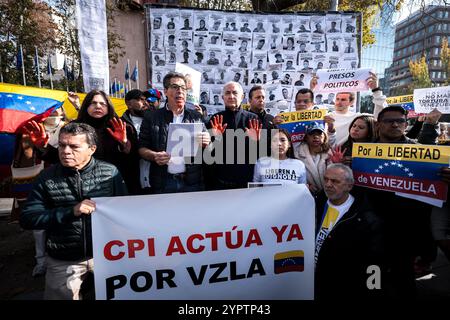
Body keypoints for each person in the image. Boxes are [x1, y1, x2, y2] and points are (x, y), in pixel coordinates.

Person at [20, 122, 128, 300]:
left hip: (108, 256)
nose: (66, 151)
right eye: (62, 145)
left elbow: (124, 211)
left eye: (74, 146)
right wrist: (70, 212)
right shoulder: (46, 177)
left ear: (91, 149)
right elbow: (28, 218)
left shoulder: (110, 173)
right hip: (64, 258)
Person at [363, 105, 440, 298]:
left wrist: (443, 177)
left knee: (403, 282)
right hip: (371, 231)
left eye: (400, 121)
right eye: (389, 121)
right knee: (373, 282)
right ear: (379, 124)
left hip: (406, 232)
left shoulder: (420, 152)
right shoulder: (363, 152)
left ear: (406, 124)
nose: (395, 124)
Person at [315, 164, 385, 300]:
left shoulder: (366, 219)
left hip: (343, 287)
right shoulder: (317, 202)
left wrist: (374, 290)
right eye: (326, 179)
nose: (328, 184)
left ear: (349, 186)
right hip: (316, 280)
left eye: (335, 181)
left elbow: (375, 262)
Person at [138, 72, 211, 194]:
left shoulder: (196, 116)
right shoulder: (151, 117)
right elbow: (141, 148)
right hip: (163, 181)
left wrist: (207, 141)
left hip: (191, 182)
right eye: (175, 87)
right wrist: (154, 155)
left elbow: (207, 149)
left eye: (183, 88)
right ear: (165, 91)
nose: (180, 91)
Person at [206, 82, 260, 190]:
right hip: (220, 181)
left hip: (246, 182)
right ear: (222, 97)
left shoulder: (253, 119)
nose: (231, 96)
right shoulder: (215, 119)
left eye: (235, 93)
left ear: (242, 96)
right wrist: (216, 140)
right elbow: (208, 154)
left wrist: (256, 142)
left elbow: (261, 155)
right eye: (227, 93)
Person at [312, 72, 387, 146]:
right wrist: (311, 89)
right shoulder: (326, 116)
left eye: (343, 100)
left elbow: (381, 117)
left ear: (351, 102)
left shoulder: (358, 118)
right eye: (337, 99)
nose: (339, 102)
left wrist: (376, 90)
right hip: (324, 155)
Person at [120, 89, 153, 194]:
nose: (145, 103)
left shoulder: (155, 121)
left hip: (154, 178)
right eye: (140, 99)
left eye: (146, 100)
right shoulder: (120, 124)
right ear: (129, 103)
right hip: (131, 179)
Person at [294, 123, 332, 207]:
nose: (316, 137)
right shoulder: (297, 155)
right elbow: (295, 177)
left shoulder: (330, 154)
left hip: (329, 198)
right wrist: (306, 185)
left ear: (324, 137)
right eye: (312, 134)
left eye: (319, 134)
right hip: (306, 197)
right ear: (306, 137)